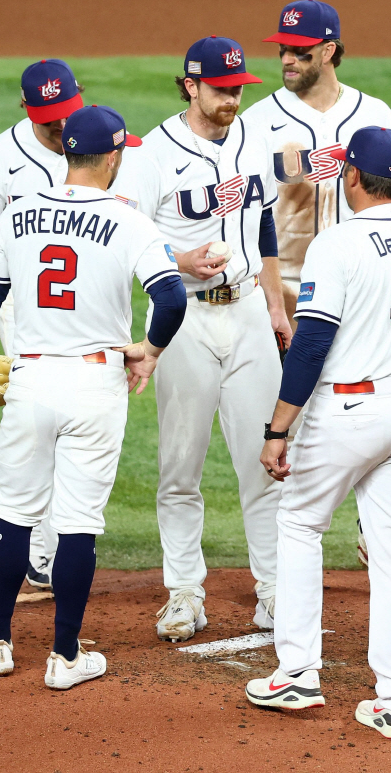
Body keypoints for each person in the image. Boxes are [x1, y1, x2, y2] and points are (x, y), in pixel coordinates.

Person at [0, 105, 186, 687]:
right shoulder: (129, 220)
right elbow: (172, 300)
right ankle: (65, 656)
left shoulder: (18, 213)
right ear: (111, 157)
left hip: (32, 378)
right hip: (96, 383)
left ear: (67, 152)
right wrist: (151, 350)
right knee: (79, 522)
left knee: (14, 512)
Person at [244, 127, 391, 740]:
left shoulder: (337, 243)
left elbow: (311, 343)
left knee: (301, 524)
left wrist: (277, 427)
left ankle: (298, 674)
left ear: (353, 177)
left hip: (349, 411)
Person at [111, 36, 289, 641]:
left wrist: (274, 301)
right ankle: (184, 592)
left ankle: (273, 591)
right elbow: (126, 232)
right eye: (220, 90)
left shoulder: (254, 138)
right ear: (190, 86)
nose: (231, 100)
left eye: (238, 89)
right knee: (180, 467)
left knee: (264, 463)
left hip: (246, 317)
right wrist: (179, 256)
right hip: (183, 319)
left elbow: (263, 218)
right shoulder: (150, 153)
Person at [0, 58, 86, 590]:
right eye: (49, 120)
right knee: (41, 419)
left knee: (78, 418)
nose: (60, 128)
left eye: (66, 116)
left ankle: (53, 543)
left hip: (85, 303)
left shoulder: (99, 142)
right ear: (27, 109)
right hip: (19, 305)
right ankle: (40, 548)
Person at [242, 0, 391, 323]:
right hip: (284, 293)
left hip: (361, 288)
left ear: (329, 51)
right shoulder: (257, 121)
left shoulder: (374, 114)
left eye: (300, 50)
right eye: (282, 50)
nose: (288, 60)